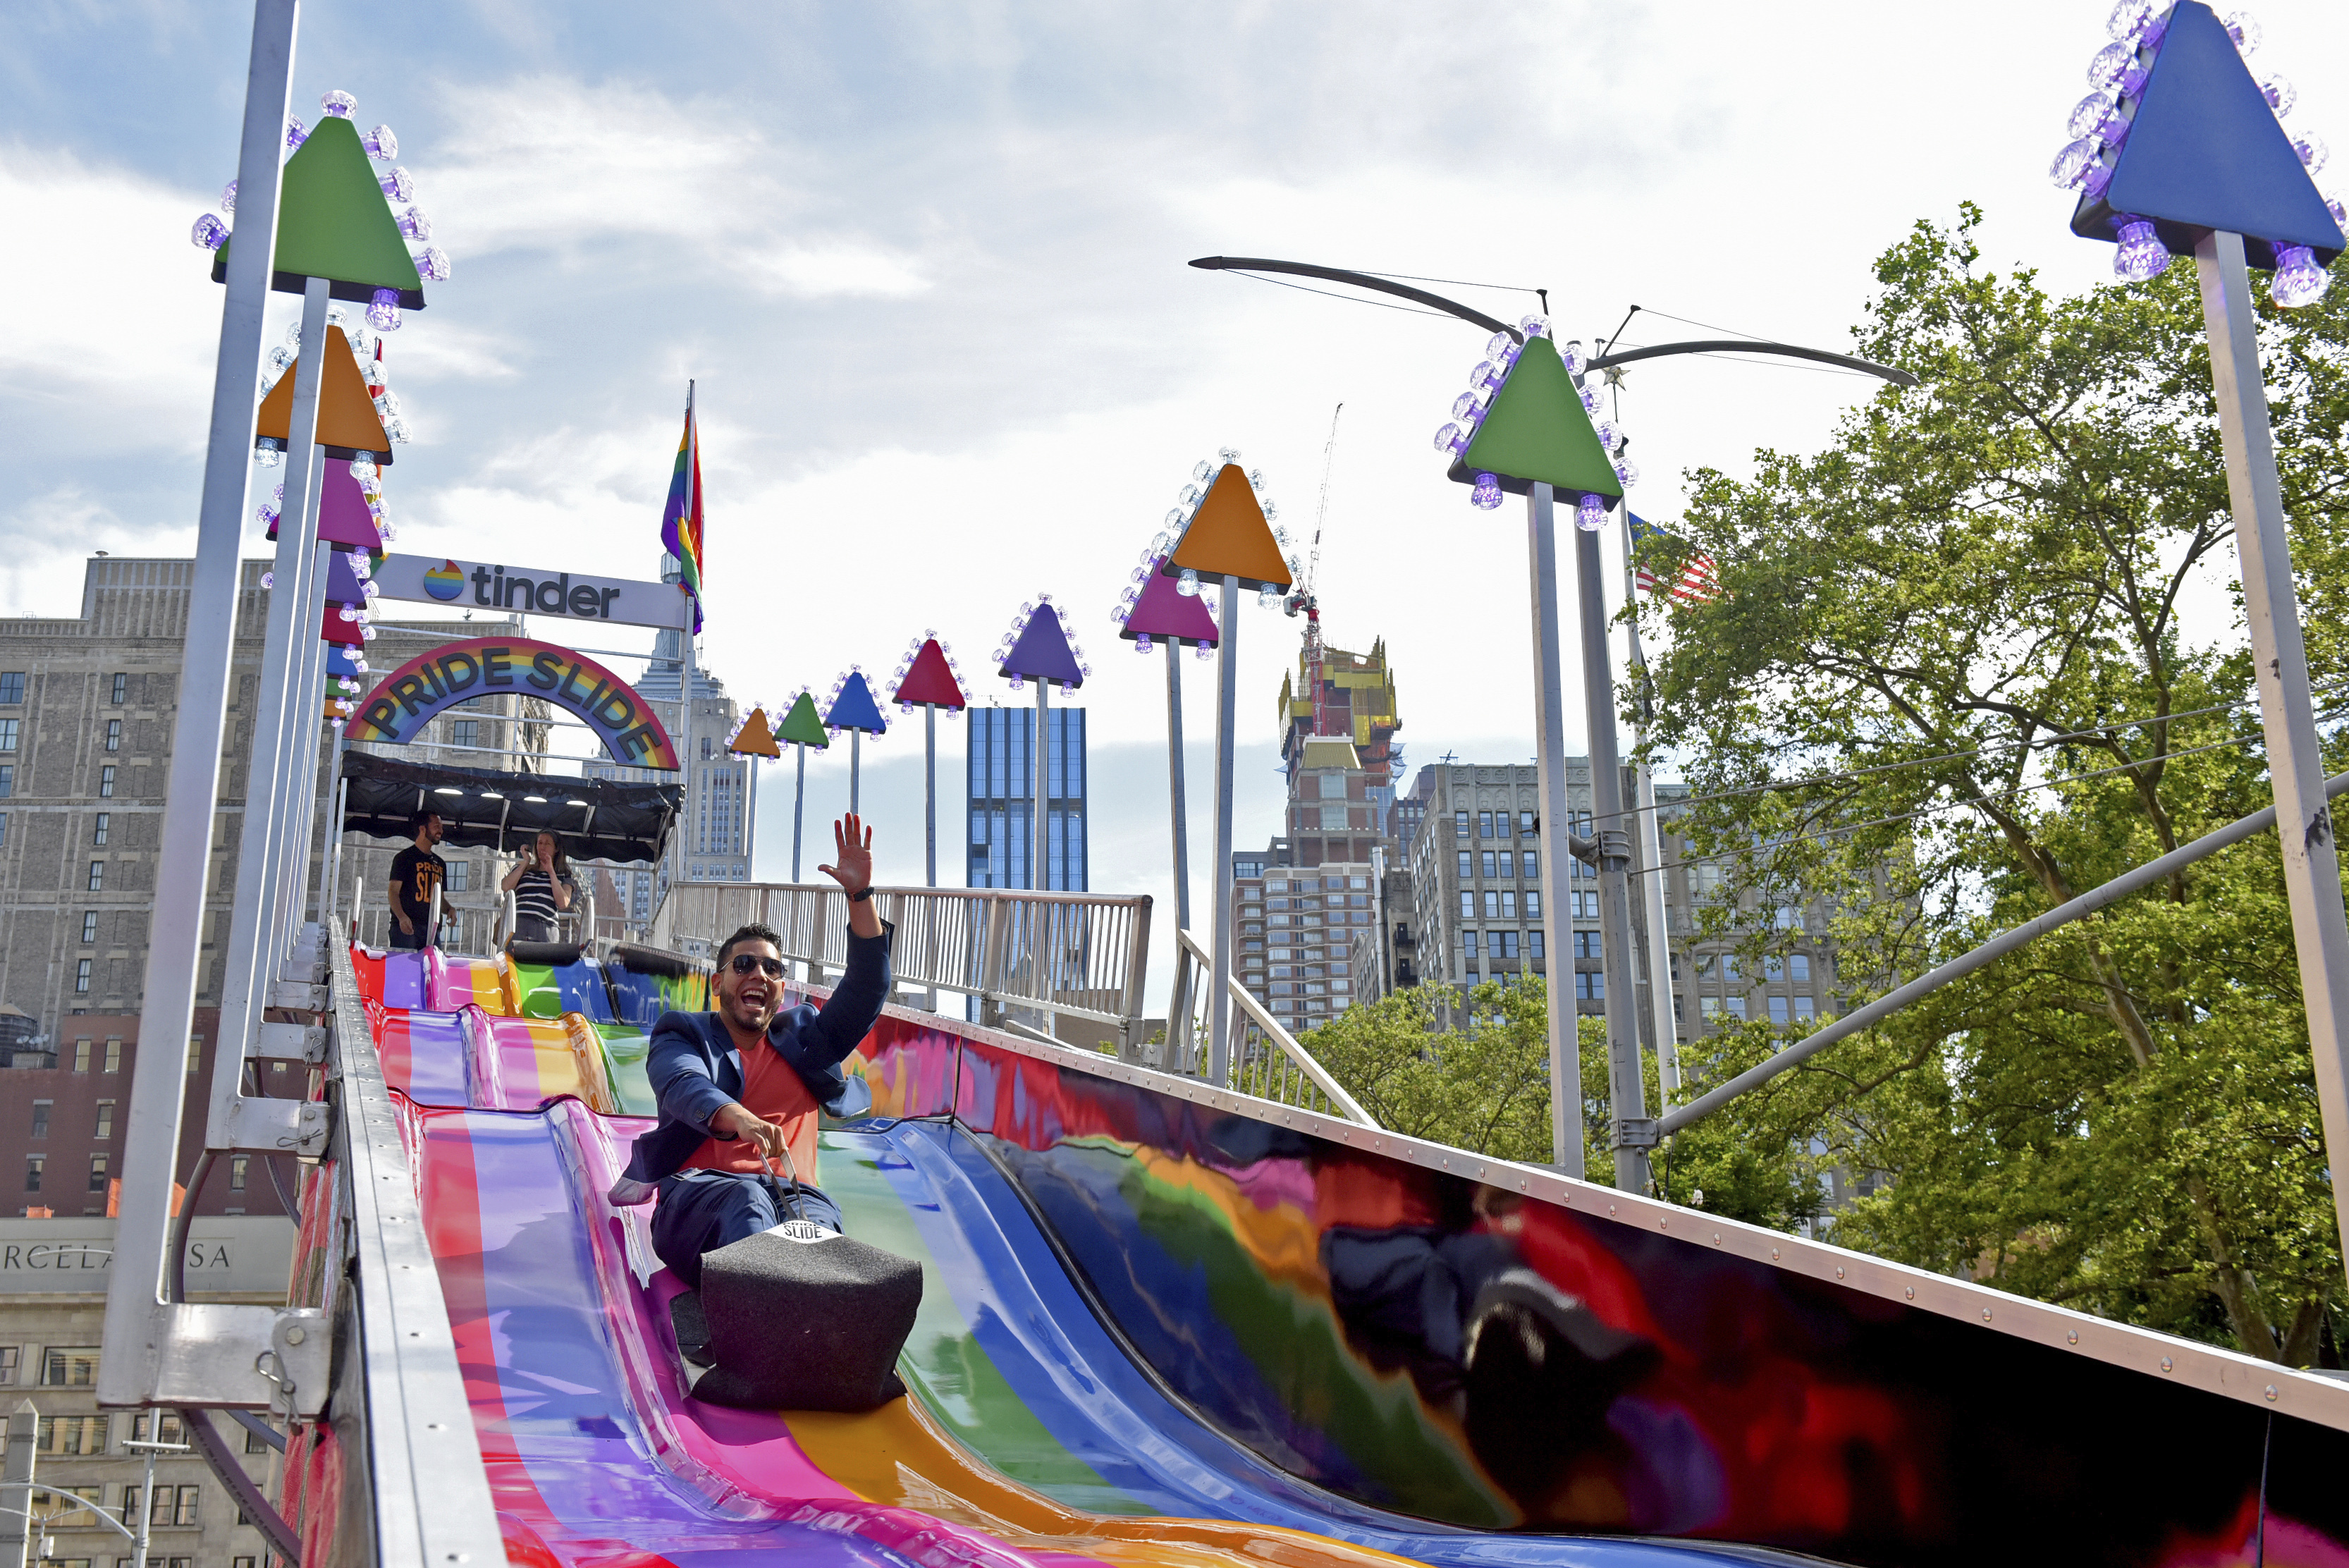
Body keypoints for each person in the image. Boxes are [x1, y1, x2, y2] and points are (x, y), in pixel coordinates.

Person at [610, 813, 890, 1290]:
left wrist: (860, 898)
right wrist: (740, 1118)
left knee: (815, 1221)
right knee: (747, 1200)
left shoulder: (808, 1040)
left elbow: (867, 989)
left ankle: (820, 1318)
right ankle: (752, 1325)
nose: (759, 974)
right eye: (744, 964)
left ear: (782, 991)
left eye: (772, 969)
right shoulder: (684, 1034)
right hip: (697, 1202)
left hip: (793, 1196)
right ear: (719, 983)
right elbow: (684, 1085)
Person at [388, 810, 448, 951]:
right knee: (405, 970)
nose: (440, 831)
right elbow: (393, 892)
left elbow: (441, 900)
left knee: (433, 970)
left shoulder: (440, 863)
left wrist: (450, 909)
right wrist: (402, 917)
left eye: (441, 827)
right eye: (436, 826)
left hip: (433, 930)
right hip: (407, 929)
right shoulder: (404, 858)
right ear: (422, 829)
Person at [501, 830, 573, 944]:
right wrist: (526, 862)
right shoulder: (523, 868)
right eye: (540, 843)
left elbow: (563, 903)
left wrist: (551, 872)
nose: (543, 847)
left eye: (547, 843)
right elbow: (506, 887)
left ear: (556, 849)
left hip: (546, 928)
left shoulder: (564, 874)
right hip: (518, 925)